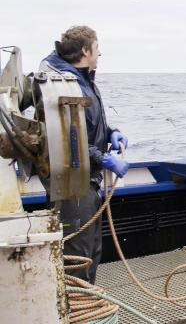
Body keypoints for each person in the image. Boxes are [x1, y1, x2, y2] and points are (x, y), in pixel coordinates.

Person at [40, 26, 130, 284]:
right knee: (77, 258)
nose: (99, 53)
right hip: (73, 186)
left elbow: (86, 126)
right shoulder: (65, 85)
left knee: (93, 251)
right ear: (85, 50)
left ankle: (89, 309)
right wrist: (104, 158)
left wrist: (112, 132)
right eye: (97, 47)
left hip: (88, 183)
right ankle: (78, 312)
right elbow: (68, 140)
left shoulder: (83, 81)